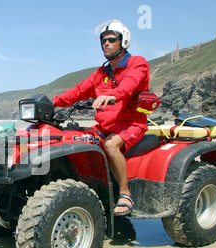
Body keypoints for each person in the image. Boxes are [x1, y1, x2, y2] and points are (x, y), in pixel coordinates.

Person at [51, 19, 150, 215]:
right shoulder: (102, 72)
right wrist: (54, 102)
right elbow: (80, 90)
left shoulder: (137, 63)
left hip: (131, 124)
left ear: (123, 42)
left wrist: (114, 94)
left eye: (112, 39)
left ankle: (124, 193)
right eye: (103, 40)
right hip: (106, 126)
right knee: (76, 137)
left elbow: (129, 84)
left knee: (110, 145)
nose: (106, 43)